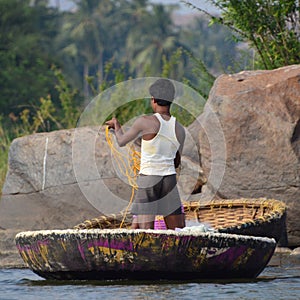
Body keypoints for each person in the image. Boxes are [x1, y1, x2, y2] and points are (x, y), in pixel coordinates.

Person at [105, 78, 185, 230]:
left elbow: (121, 141)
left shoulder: (145, 121)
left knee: (145, 232)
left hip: (149, 179)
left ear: (153, 100)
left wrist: (117, 125)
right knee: (177, 231)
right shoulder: (179, 129)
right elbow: (176, 162)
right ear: (171, 100)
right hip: (169, 180)